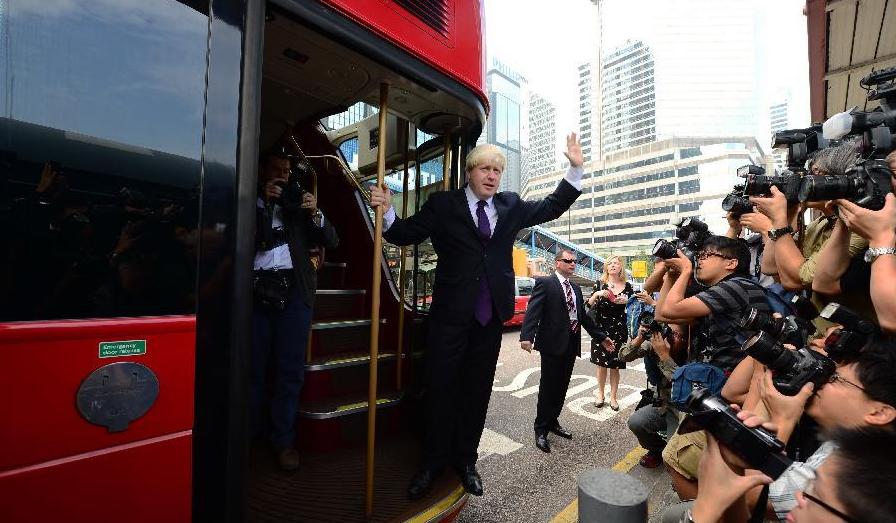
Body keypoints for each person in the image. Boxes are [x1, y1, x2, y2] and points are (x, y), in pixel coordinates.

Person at [369, 135, 585, 498]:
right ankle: (433, 461)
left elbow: (551, 206)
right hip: (450, 318)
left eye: (497, 171)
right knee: (440, 389)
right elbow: (404, 234)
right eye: (485, 168)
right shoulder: (443, 205)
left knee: (477, 392)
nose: (492, 176)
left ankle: (467, 461)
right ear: (470, 172)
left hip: (489, 320)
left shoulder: (510, 205)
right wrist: (387, 211)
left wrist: (575, 170)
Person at [251, 152, 339, 471]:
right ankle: (247, 436)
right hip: (256, 293)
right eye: (276, 168)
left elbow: (332, 238)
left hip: (295, 293)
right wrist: (262, 201)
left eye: (287, 170)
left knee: (290, 372)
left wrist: (315, 212)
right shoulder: (248, 199)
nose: (282, 175)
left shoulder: (298, 203)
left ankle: (283, 440)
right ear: (262, 170)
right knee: (253, 369)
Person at [519, 249, 612, 453]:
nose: (572, 264)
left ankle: (553, 422)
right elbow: (534, 310)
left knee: (561, 387)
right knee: (548, 388)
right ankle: (541, 429)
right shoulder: (546, 283)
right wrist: (527, 336)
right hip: (552, 344)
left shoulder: (576, 289)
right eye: (567, 261)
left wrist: (602, 337)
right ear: (557, 263)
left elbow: (583, 318)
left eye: (574, 261)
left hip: (571, 344)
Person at [618, 322, 685, 468]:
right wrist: (640, 338)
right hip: (664, 403)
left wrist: (664, 356)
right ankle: (657, 450)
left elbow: (684, 387)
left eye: (675, 334)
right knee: (637, 422)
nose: (670, 337)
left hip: (684, 410)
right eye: (667, 331)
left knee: (678, 453)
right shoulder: (656, 344)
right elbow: (623, 356)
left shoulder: (692, 350)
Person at [586, 256, 631, 410]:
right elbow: (587, 305)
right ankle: (600, 394)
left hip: (619, 330)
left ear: (621, 268)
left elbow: (635, 307)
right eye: (610, 263)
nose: (613, 265)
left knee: (615, 366)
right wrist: (597, 294)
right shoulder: (599, 284)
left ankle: (613, 397)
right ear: (606, 267)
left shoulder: (628, 286)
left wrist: (627, 301)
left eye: (616, 263)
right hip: (600, 330)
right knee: (600, 365)